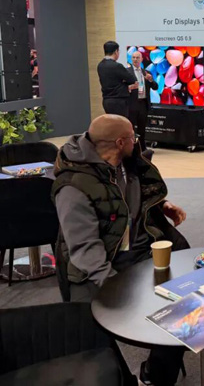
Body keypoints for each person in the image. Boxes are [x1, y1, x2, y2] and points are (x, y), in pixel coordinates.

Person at [52, 114, 189, 386]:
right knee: (88, 336)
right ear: (119, 142)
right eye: (133, 137)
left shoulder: (128, 163)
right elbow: (84, 249)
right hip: (95, 266)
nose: (136, 141)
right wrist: (115, 285)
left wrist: (161, 205)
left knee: (186, 307)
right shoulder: (73, 187)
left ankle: (155, 376)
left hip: (139, 251)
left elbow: (130, 199)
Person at [127, 50, 158, 152]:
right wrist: (129, 88)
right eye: (133, 57)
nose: (135, 59)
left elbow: (155, 87)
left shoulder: (146, 72)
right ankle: (131, 148)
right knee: (131, 128)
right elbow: (122, 87)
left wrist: (151, 80)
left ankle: (142, 148)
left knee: (142, 128)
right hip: (132, 103)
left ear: (141, 59)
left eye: (137, 57)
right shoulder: (127, 72)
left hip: (143, 103)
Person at [98, 41, 138, 117]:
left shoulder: (100, 65)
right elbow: (132, 79)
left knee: (112, 123)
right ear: (116, 51)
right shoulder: (117, 66)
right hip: (118, 101)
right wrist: (125, 83)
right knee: (121, 123)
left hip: (106, 101)